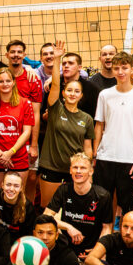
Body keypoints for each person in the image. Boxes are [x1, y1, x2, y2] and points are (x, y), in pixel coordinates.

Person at [92, 53, 133, 223]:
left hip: (129, 159)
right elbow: (99, 125)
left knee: (127, 205)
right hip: (106, 157)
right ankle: (105, 238)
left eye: (124, 68)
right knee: (103, 203)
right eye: (117, 68)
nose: (120, 72)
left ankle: (123, 241)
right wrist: (95, 154)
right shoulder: (105, 95)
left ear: (131, 69)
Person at [43, 153, 111, 265]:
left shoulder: (103, 196)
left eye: (83, 168)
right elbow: (46, 217)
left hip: (90, 249)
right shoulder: (63, 190)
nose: (78, 171)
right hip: (65, 246)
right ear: (70, 170)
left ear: (91, 172)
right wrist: (68, 227)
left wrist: (97, 250)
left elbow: (107, 228)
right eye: (75, 167)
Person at [38, 78, 96, 206]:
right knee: (47, 208)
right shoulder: (55, 109)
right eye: (69, 90)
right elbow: (55, 86)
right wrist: (57, 59)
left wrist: (88, 170)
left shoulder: (87, 119)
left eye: (76, 91)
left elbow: (88, 148)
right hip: (52, 168)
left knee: (72, 209)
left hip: (75, 170)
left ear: (81, 96)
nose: (72, 94)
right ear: (63, 93)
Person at [0, 68, 35, 193]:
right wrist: (0, 154)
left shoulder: (25, 103)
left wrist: (10, 152)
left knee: (17, 197)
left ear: (13, 82)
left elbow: (27, 132)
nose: (5, 84)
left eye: (8, 81)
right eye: (1, 81)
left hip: (18, 157)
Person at [0, 171, 40, 240]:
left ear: (21, 188)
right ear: (2, 185)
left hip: (14, 243)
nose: (11, 189)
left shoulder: (28, 207)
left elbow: (27, 237)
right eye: (8, 185)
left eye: (16, 186)